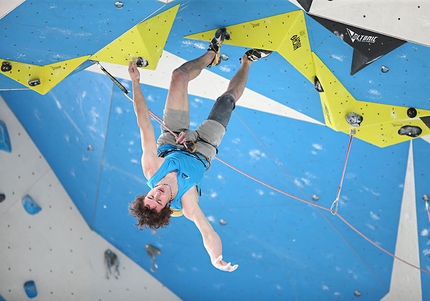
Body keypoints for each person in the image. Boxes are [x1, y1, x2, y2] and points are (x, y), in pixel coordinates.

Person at [128, 28, 271, 272]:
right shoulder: (187, 202)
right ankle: (247, 61)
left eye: (150, 196)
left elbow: (143, 124)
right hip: (203, 147)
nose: (157, 194)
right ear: (167, 207)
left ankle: (211, 55)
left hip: (172, 138)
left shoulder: (152, 169)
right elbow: (207, 232)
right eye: (159, 200)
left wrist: (135, 83)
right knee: (226, 100)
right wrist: (216, 258)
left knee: (178, 76)